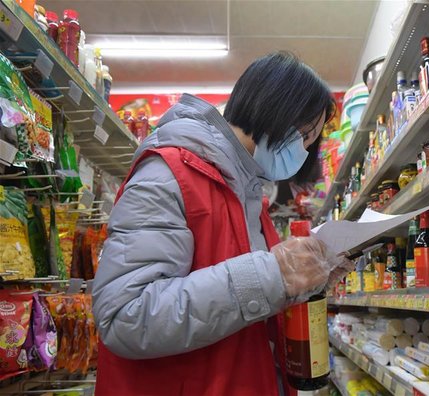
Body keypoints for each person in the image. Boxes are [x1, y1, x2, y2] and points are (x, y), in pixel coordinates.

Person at [92, 52, 352, 396]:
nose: (305, 149)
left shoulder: (246, 193)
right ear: (272, 109)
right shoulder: (166, 176)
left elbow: (243, 303)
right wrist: (273, 274)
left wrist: (304, 282)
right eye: (304, 134)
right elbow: (125, 317)